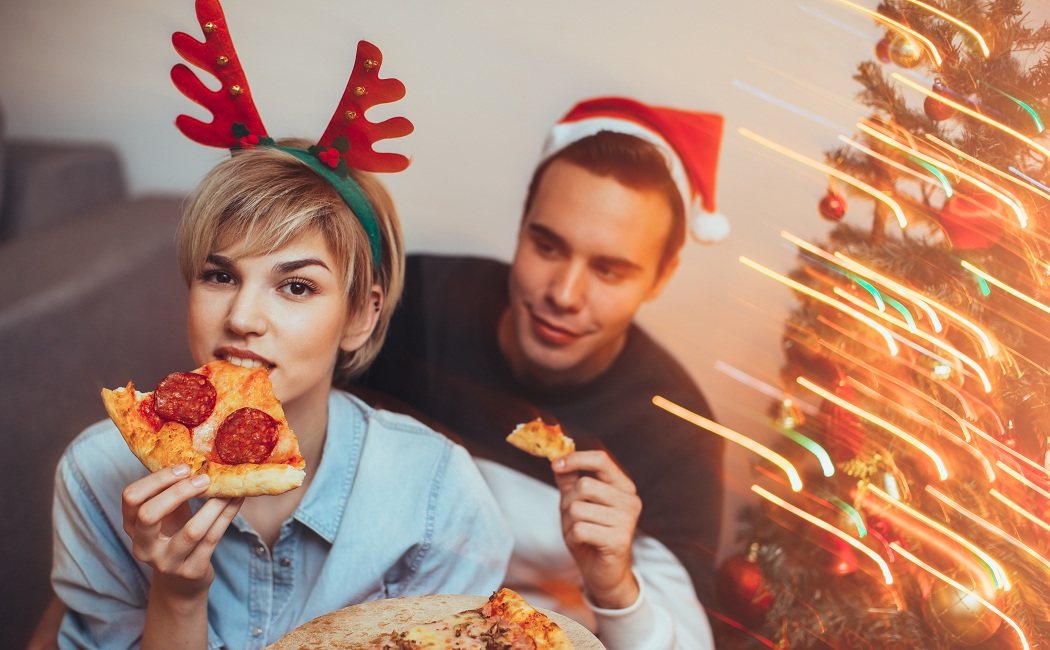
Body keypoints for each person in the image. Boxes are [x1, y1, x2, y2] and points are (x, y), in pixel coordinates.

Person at [47, 11, 511, 648]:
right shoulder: (95, 474)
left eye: (296, 286)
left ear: (362, 314)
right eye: (219, 275)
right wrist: (177, 596)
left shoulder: (437, 496)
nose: (241, 317)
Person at [352, 96, 727, 650]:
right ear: (522, 224)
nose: (564, 294)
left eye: (610, 270)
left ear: (661, 277)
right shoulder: (408, 302)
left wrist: (615, 582)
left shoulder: (678, 433)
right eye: (546, 245)